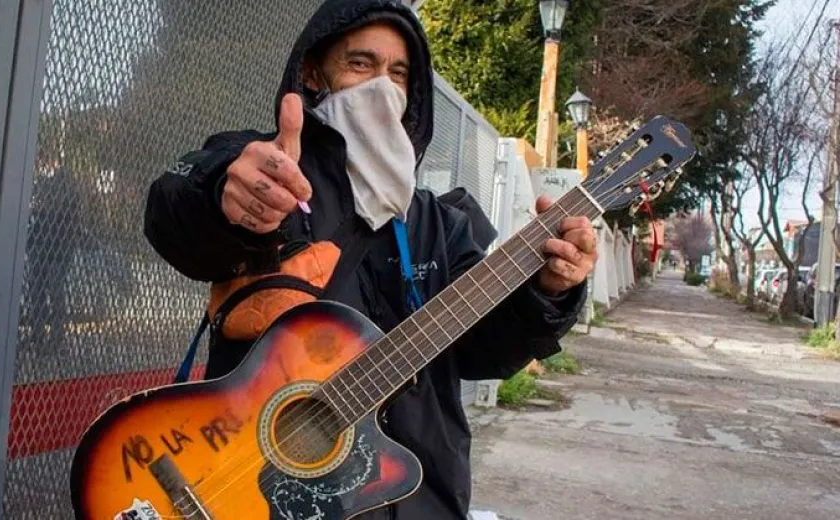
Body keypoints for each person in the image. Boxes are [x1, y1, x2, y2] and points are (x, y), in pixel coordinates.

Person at [144, 0, 597, 518]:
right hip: (251, 492)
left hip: (419, 493)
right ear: (313, 71)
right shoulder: (267, 172)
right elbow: (173, 216)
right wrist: (225, 194)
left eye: (398, 73)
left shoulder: (440, 223)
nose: (382, 86)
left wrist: (550, 291)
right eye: (361, 64)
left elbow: (482, 353)